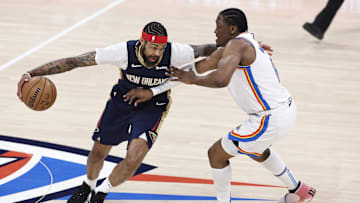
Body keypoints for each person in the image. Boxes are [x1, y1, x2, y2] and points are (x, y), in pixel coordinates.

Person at [125, 8, 316, 203]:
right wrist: (156, 87)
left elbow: (220, 80)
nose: (215, 31)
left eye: (219, 27)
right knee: (256, 150)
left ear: (232, 29)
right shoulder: (240, 45)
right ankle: (300, 190)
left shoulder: (236, 45)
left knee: (216, 154)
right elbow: (201, 66)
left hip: (269, 118)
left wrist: (193, 80)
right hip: (285, 110)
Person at [17, 21, 218, 203]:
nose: (157, 53)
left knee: (134, 158)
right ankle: (88, 185)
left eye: (161, 48)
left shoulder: (176, 52)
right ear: (142, 43)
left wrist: (237, 44)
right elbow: (76, 61)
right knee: (98, 152)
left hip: (153, 106)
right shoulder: (123, 51)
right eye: (153, 47)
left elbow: (207, 49)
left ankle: (100, 193)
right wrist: (33, 73)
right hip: (123, 99)